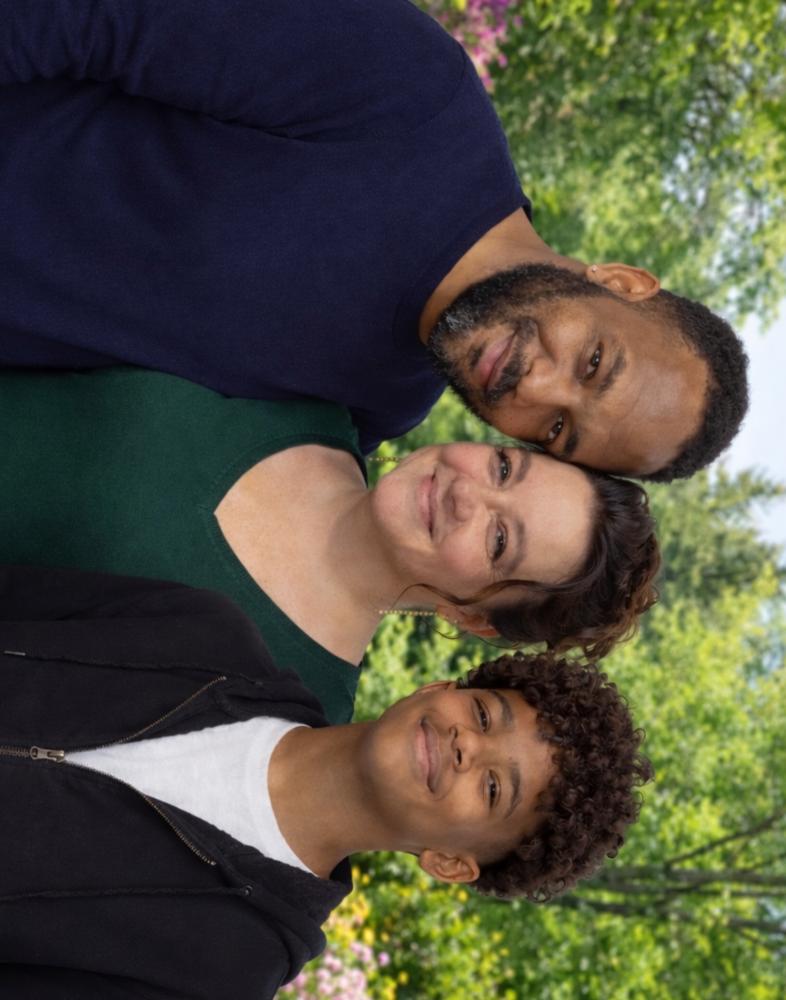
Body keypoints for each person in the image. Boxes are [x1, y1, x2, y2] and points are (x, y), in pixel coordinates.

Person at [0, 0, 748, 475]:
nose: (536, 390)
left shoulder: (367, 415)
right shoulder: (415, 96)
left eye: (556, 430)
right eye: (593, 363)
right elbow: (88, 16)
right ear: (619, 281)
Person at [0, 564, 653, 1000]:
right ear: (438, 688)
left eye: (492, 789)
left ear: (450, 863)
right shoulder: (206, 634)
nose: (466, 747)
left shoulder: (227, 970)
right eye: (484, 716)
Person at [0, 366, 660, 724]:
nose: (468, 494)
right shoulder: (314, 394)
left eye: (498, 539)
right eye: (504, 469)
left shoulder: (281, 706)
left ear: (475, 618)